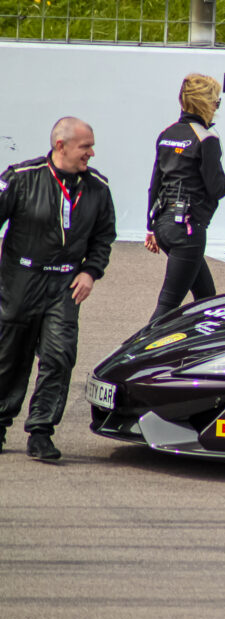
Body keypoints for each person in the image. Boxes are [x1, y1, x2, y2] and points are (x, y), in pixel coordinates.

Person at [0, 117, 117, 461]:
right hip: (20, 281)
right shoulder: (20, 177)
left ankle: (41, 431)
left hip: (65, 285)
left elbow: (104, 236)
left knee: (58, 357)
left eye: (92, 146)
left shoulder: (98, 187)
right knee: (8, 356)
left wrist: (91, 272)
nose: (91, 153)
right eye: (85, 147)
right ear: (60, 145)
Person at [145, 73, 225, 321]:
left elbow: (155, 184)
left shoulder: (167, 134)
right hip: (187, 231)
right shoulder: (207, 138)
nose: (217, 108)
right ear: (206, 104)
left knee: (207, 298)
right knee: (168, 305)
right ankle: (134, 353)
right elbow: (217, 189)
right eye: (217, 102)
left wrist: (150, 228)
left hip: (163, 226)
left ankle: (198, 351)